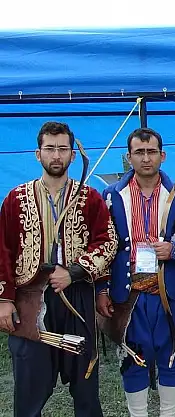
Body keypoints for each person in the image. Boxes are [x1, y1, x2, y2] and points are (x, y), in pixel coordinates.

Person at [0, 121, 117, 417]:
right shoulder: (16, 199)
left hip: (76, 296)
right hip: (30, 299)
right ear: (37, 153)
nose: (56, 155)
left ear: (72, 155)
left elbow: (108, 241)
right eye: (49, 148)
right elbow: (3, 250)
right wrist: (4, 299)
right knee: (29, 388)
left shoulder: (89, 197)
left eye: (62, 149)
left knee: (85, 385)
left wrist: (74, 272)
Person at [96, 128, 175, 416]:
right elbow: (103, 245)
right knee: (132, 356)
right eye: (139, 152)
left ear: (162, 155)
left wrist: (173, 250)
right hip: (129, 293)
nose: (146, 158)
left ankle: (168, 414)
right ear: (129, 157)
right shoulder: (112, 197)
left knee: (172, 354)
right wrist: (102, 289)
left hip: (169, 291)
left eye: (151, 151)